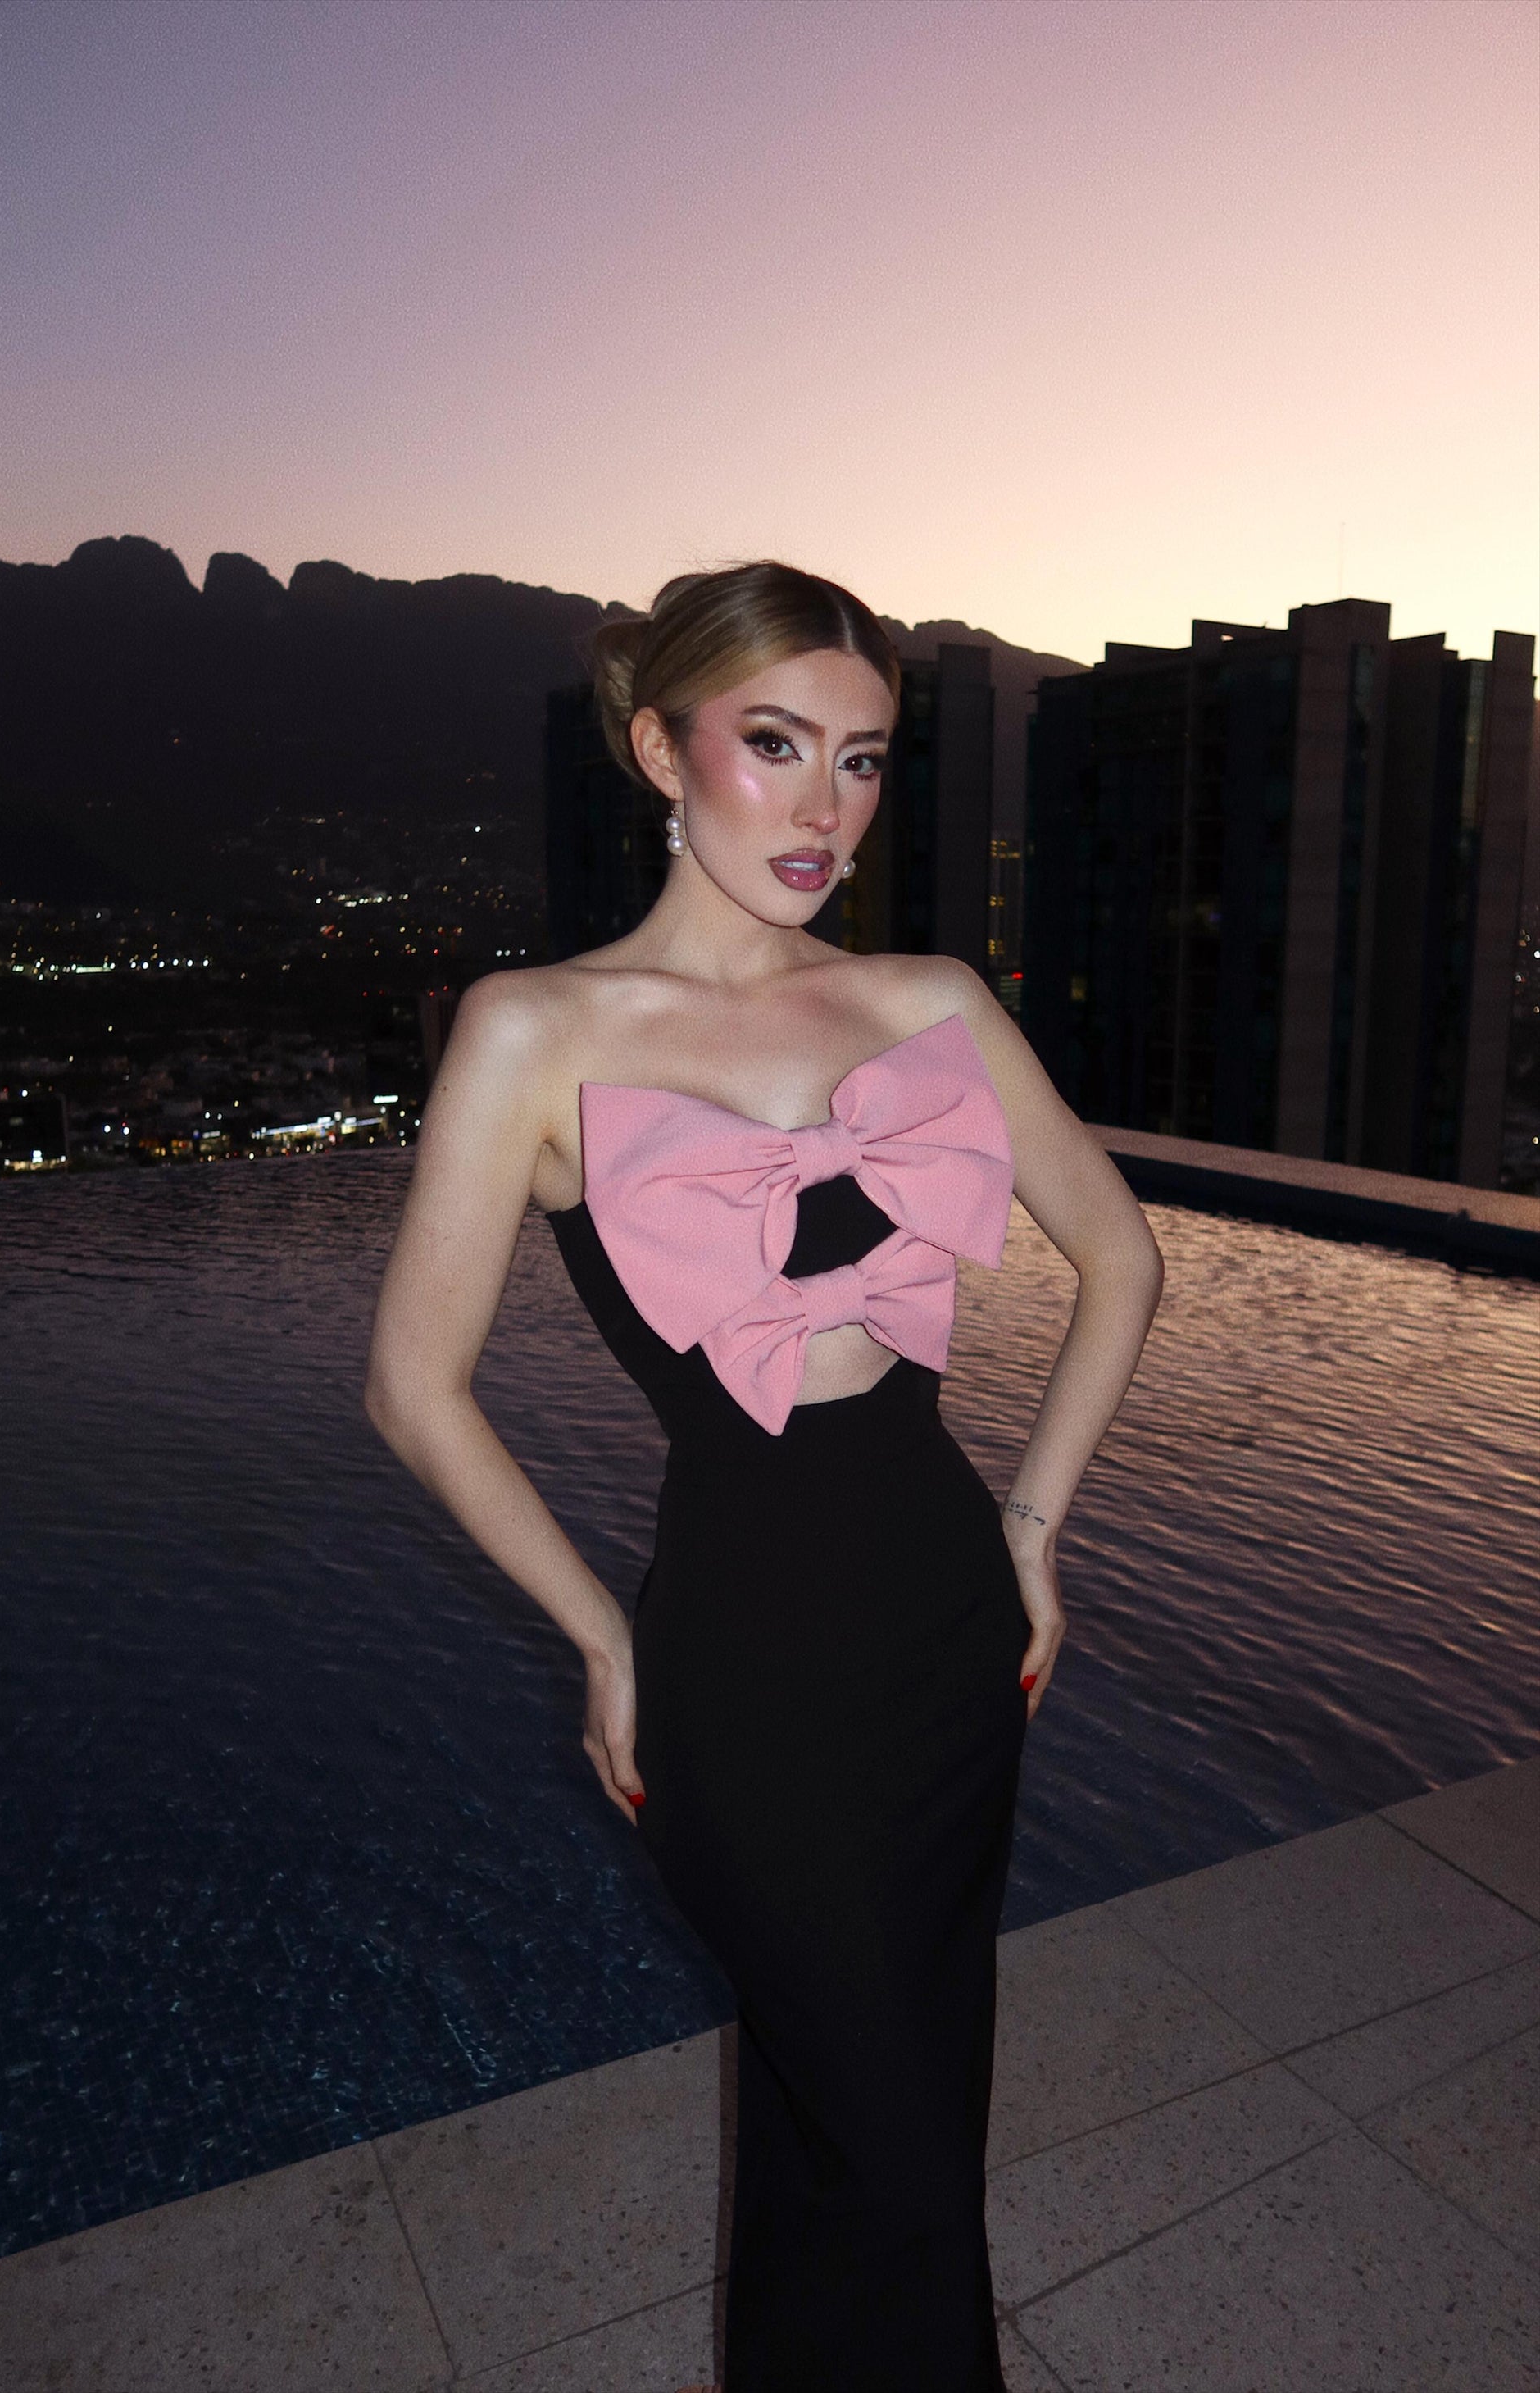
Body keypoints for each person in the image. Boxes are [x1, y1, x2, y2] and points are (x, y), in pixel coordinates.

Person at [365, 562, 1162, 2391]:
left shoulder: (927, 998)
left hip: (947, 1630)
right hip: (738, 1655)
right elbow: (413, 1389)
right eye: (776, 745)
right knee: (885, 2137)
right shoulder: (532, 1029)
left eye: (862, 760)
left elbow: (1121, 1260)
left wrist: (1032, 1528)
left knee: (874, 2126)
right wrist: (601, 1635)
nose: (826, 808)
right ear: (663, 750)